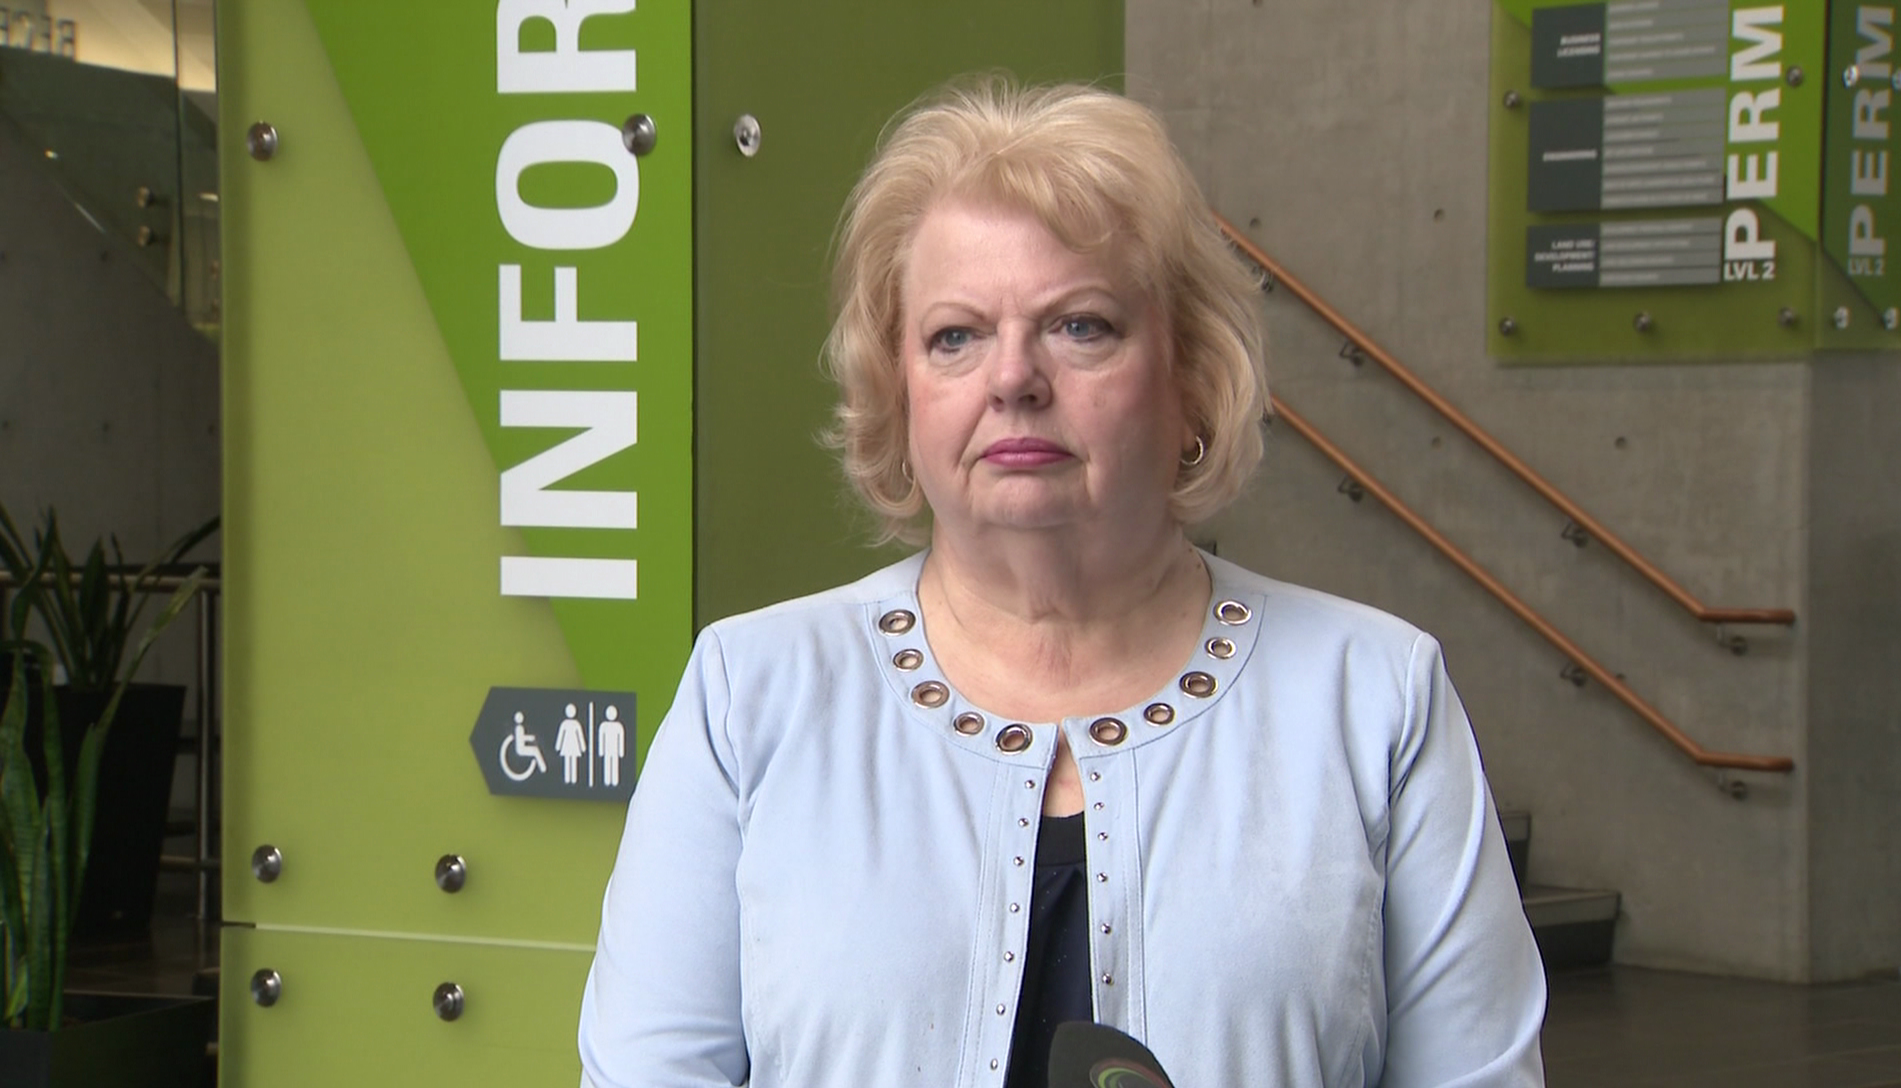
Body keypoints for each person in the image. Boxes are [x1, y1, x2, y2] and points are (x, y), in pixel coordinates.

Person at [578, 77, 1546, 1088]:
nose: (1013, 378)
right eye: (954, 336)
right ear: (896, 393)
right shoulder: (752, 693)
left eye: (1080, 325)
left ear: (1192, 380)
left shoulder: (1374, 695)